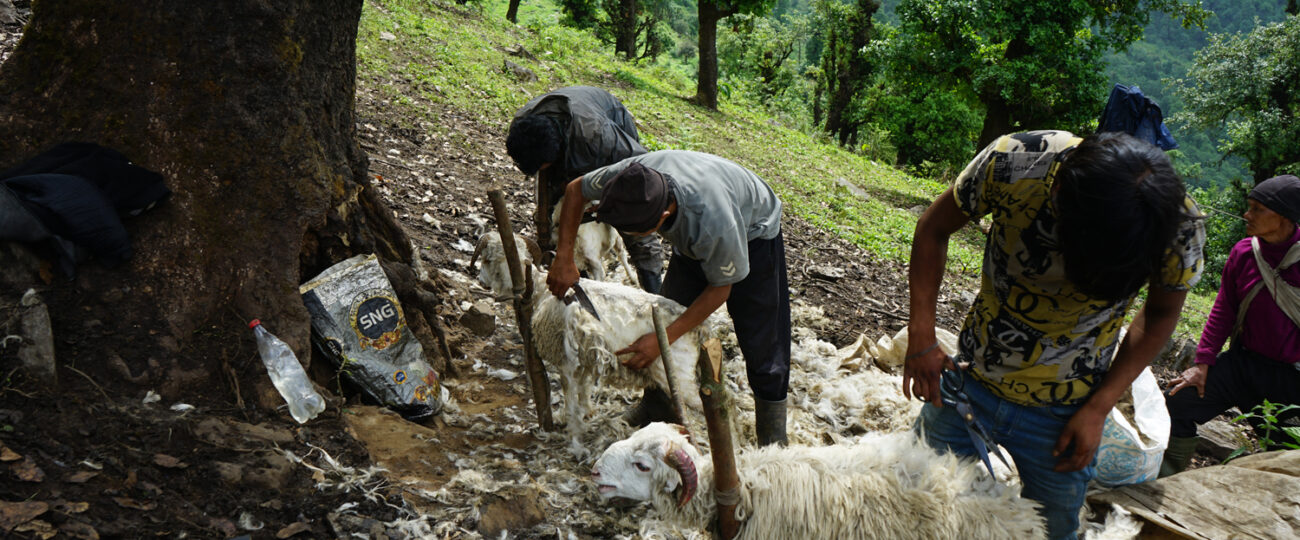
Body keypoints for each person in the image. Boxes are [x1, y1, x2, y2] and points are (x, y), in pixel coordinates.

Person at [905, 131, 1205, 540]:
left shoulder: (1174, 223)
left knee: (1054, 530)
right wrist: (921, 336)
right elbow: (933, 227)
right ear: (1059, 192)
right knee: (911, 503)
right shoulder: (1015, 163)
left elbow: (1160, 313)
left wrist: (1099, 407)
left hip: (1067, 410)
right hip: (969, 380)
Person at [546, 150, 791, 446]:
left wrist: (664, 340)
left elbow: (720, 289)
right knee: (664, 312)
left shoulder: (714, 224)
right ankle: (657, 407)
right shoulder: (630, 178)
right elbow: (576, 190)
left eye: (637, 232)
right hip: (693, 229)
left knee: (762, 339)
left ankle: (772, 436)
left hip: (754, 230)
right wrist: (564, 256)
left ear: (662, 216)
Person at [1161, 174, 1300, 477]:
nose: (1246, 215)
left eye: (1257, 209)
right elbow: (1224, 308)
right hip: (1243, 364)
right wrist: (1202, 363)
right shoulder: (1244, 253)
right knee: (1179, 403)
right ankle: (1167, 480)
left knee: (1287, 455)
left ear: (1285, 216)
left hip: (1291, 378)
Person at [505, 86, 665, 293]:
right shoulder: (522, 126)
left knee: (634, 217)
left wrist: (608, 203)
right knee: (551, 216)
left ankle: (653, 287)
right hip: (564, 139)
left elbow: (643, 171)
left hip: (611, 129)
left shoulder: (600, 138)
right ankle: (569, 272)